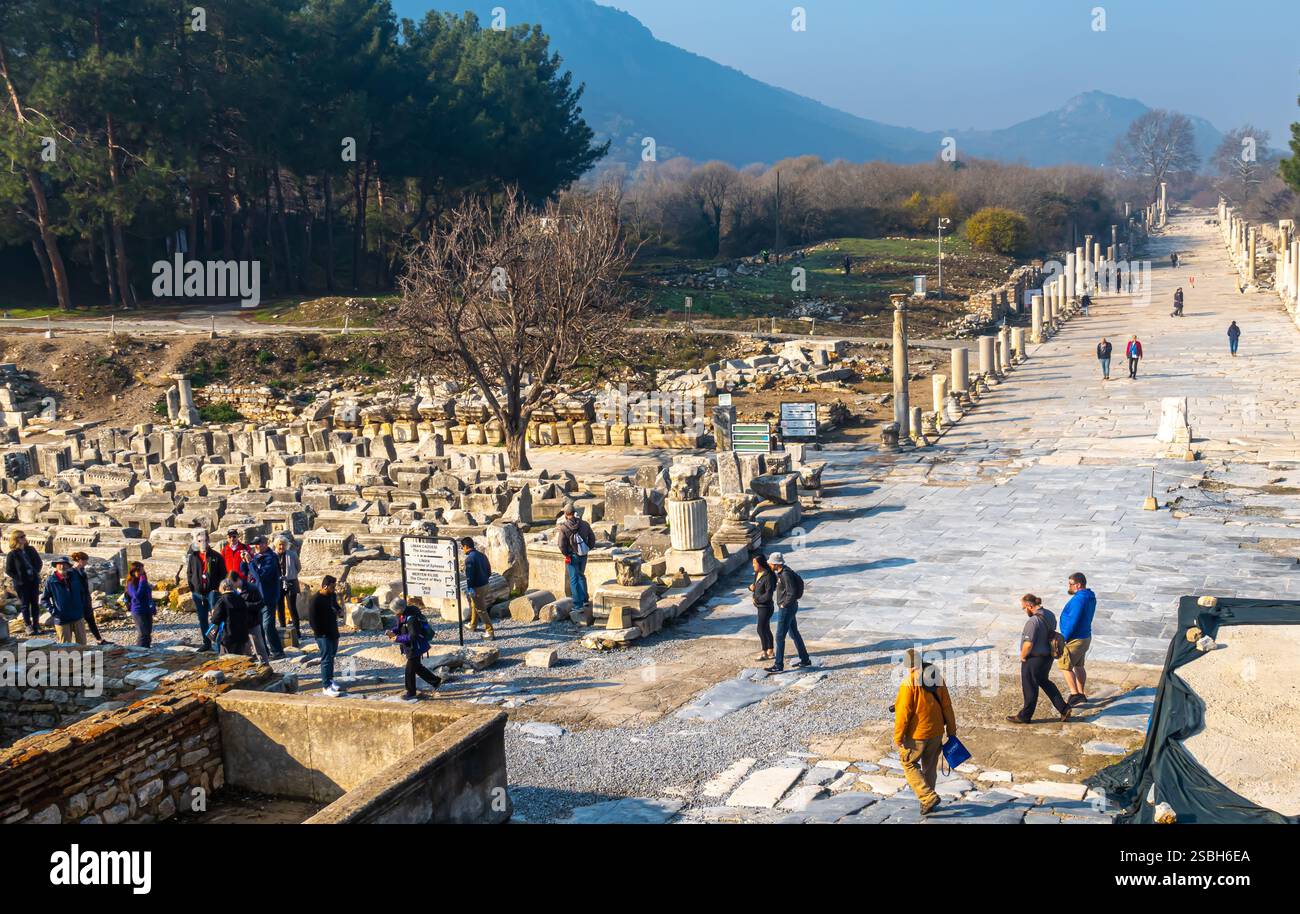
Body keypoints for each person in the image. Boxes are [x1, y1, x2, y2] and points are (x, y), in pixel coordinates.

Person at [893, 648, 958, 816]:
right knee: (929, 767)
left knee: (908, 763)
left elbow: (903, 714)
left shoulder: (909, 684)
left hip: (917, 735)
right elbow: (947, 707)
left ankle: (928, 797)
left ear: (908, 666)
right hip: (936, 732)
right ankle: (927, 802)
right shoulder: (937, 678)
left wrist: (898, 737)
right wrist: (951, 731)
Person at [1007, 593, 1071, 724]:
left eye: (1024, 608)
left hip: (1034, 659)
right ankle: (1064, 708)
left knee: (1030, 687)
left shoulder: (1032, 621)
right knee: (1045, 682)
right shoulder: (1050, 614)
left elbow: (1028, 644)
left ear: (1030, 606)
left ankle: (1025, 716)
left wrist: (1023, 656)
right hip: (1047, 657)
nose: (1024, 611)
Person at [764, 552, 812, 673]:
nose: (769, 564)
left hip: (786, 609)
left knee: (779, 637)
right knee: (794, 633)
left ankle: (778, 665)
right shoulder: (783, 572)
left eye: (770, 563)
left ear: (775, 564)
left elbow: (791, 592)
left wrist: (784, 604)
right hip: (789, 607)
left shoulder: (785, 574)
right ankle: (805, 659)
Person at [388, 598, 442, 701]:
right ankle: (435, 681)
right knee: (417, 667)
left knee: (409, 671)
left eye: (394, 610)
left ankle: (411, 693)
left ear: (400, 609)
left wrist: (398, 638)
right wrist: (393, 632)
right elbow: (399, 627)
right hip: (410, 646)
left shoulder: (412, 619)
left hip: (415, 647)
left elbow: (413, 636)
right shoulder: (401, 615)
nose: (393, 612)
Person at [182, 529, 225, 651]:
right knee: (202, 619)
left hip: (212, 592)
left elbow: (223, 574)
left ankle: (217, 644)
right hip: (198, 593)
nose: (203, 543)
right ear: (197, 542)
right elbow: (189, 573)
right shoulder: (193, 557)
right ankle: (206, 643)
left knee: (215, 618)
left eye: (205, 540)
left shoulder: (217, 556)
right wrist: (192, 587)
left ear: (209, 540)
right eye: (200, 541)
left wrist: (217, 589)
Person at [1059, 572, 1097, 706]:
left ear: (1078, 584)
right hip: (1085, 636)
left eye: (1071, 584)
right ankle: (1081, 693)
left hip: (1075, 639)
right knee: (1078, 665)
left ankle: (1075, 694)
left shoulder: (1079, 600)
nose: (1069, 586)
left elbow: (1073, 621)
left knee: (1064, 666)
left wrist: (1064, 637)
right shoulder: (1089, 596)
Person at [307, 575, 345, 697]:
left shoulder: (331, 595)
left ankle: (330, 679)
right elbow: (312, 621)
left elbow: (336, 605)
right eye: (332, 587)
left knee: (332, 657)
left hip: (333, 631)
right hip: (323, 635)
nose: (334, 589)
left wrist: (339, 611)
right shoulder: (315, 600)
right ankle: (326, 686)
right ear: (325, 586)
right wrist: (320, 634)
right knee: (326, 659)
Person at [556, 504, 595, 622]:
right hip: (583, 554)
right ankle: (585, 601)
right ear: (575, 512)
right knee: (581, 576)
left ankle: (577, 605)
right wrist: (588, 548)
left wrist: (567, 554)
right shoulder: (584, 524)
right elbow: (592, 538)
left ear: (565, 514)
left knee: (573, 579)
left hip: (572, 556)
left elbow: (561, 545)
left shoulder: (564, 527)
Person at [247, 536, 284, 658]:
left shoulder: (271, 558)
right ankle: (264, 651)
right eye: (255, 544)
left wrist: (250, 562)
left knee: (267, 625)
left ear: (265, 544)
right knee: (259, 627)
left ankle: (277, 651)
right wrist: (245, 562)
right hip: (257, 597)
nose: (256, 547)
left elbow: (261, 576)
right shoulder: (256, 557)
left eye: (259, 544)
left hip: (268, 597)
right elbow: (248, 573)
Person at [41, 556, 88, 644]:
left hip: (78, 616)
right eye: (60, 564)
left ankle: (82, 658)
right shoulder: (51, 581)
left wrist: (82, 606)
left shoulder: (75, 577)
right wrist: (54, 612)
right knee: (65, 646)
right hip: (62, 618)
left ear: (68, 566)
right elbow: (44, 599)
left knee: (82, 644)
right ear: (56, 566)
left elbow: (83, 592)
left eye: (65, 564)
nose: (62, 566)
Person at [5, 528, 44, 634]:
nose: (24, 538)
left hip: (33, 581)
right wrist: (19, 578)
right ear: (16, 539)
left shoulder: (31, 549)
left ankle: (36, 625)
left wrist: (35, 572)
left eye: (24, 536)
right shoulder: (12, 554)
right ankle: (28, 625)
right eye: (21, 536)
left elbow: (39, 562)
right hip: (22, 584)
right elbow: (8, 570)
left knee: (35, 604)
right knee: (25, 604)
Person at [459, 536, 495, 640]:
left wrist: (470, 588)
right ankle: (472, 625)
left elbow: (470, 577)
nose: (463, 549)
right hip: (486, 585)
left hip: (477, 588)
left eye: (462, 547)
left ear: (466, 546)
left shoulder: (469, 559)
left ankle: (490, 631)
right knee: (474, 603)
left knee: (481, 610)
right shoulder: (482, 555)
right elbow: (489, 570)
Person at [69, 552, 109, 645]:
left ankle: (99, 639)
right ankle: (77, 643)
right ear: (80, 561)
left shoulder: (81, 570)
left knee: (91, 620)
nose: (87, 563)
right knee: (78, 623)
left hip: (86, 599)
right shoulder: (71, 572)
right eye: (85, 561)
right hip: (78, 600)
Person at [209, 577, 251, 656]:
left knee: (227, 660)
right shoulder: (240, 599)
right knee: (241, 658)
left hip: (228, 635)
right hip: (242, 634)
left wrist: (213, 613)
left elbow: (215, 620)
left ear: (222, 588)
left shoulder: (221, 601)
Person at [274, 535, 302, 646]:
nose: (282, 547)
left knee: (292, 607)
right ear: (276, 545)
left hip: (291, 582)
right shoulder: (273, 555)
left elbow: (298, 567)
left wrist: (290, 574)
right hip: (277, 583)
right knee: (279, 606)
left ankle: (297, 630)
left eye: (283, 544)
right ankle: (282, 629)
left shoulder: (292, 554)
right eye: (280, 545)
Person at [749, 553, 776, 662]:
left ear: (760, 564)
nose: (753, 565)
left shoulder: (769, 576)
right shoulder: (757, 573)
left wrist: (757, 599)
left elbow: (768, 594)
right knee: (766, 628)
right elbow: (755, 586)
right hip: (760, 606)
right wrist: (751, 588)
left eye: (754, 563)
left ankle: (764, 651)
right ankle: (770, 650)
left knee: (760, 628)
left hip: (766, 607)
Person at [124, 561, 155, 648]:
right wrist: (142, 583)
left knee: (148, 633)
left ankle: (147, 650)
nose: (142, 573)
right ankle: (139, 651)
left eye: (142, 570)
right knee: (143, 634)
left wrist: (152, 606)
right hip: (138, 611)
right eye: (140, 571)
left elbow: (148, 594)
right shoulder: (131, 584)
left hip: (147, 609)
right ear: (134, 572)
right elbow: (137, 596)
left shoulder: (144, 581)